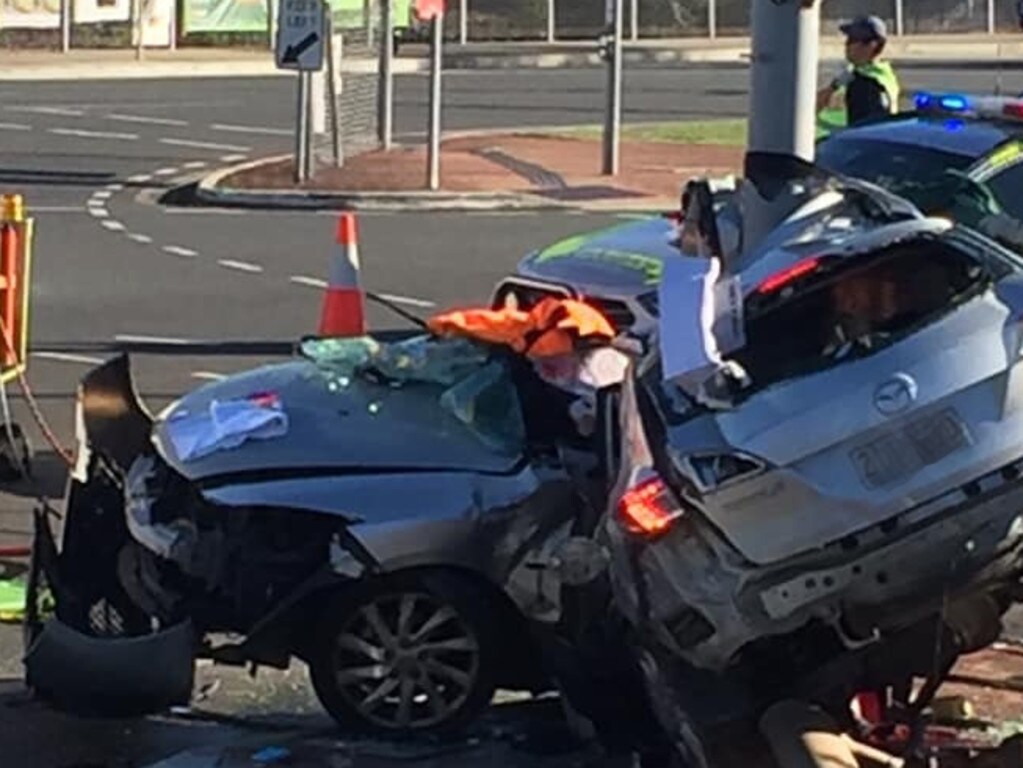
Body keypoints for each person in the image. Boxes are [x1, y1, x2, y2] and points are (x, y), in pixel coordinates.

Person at [817, 16, 901, 137]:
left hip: (839, 144)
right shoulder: (880, 74)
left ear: (872, 45)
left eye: (852, 40)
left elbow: (865, 130)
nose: (846, 45)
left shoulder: (865, 84)